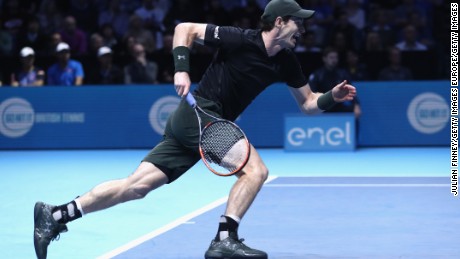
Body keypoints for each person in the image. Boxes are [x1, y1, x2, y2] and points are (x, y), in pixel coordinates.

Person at [33, 0, 357, 258]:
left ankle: (56, 215)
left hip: (195, 122)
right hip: (204, 113)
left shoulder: (286, 62)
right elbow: (183, 28)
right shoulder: (240, 39)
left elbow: (309, 103)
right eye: (298, 21)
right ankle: (225, 238)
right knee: (255, 172)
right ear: (279, 22)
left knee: (136, 187)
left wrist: (333, 97)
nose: (304, 27)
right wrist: (181, 70)